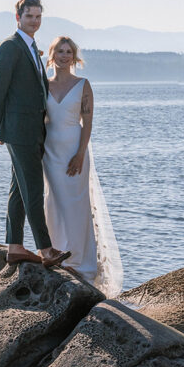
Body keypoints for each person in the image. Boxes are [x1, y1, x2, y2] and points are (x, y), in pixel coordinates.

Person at [0, 0, 71, 267]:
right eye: (29, 17)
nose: (34, 21)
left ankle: (14, 247)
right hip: (18, 130)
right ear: (18, 18)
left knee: (19, 190)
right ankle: (46, 251)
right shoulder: (10, 47)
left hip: (33, 130)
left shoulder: (33, 48)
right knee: (33, 188)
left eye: (38, 17)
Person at [41, 36, 123, 295]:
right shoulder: (43, 85)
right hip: (49, 151)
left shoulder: (83, 85)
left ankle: (81, 263)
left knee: (77, 204)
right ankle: (56, 252)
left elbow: (87, 124)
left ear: (74, 57)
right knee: (54, 202)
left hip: (75, 149)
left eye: (69, 52)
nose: (65, 56)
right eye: (60, 51)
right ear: (51, 55)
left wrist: (80, 153)